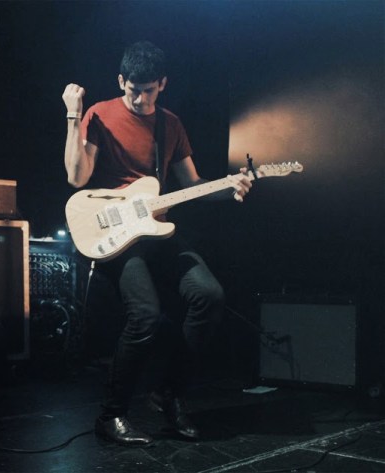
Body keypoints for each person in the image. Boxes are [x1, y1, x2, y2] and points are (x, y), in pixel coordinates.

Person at [62, 41, 254, 446]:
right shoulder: (100, 113)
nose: (140, 98)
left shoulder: (171, 125)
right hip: (115, 233)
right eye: (133, 89)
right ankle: (111, 415)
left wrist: (229, 187)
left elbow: (192, 184)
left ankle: (168, 393)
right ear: (121, 81)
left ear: (162, 84)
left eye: (148, 90)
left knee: (209, 295)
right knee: (145, 315)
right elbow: (77, 177)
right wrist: (73, 114)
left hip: (155, 227)